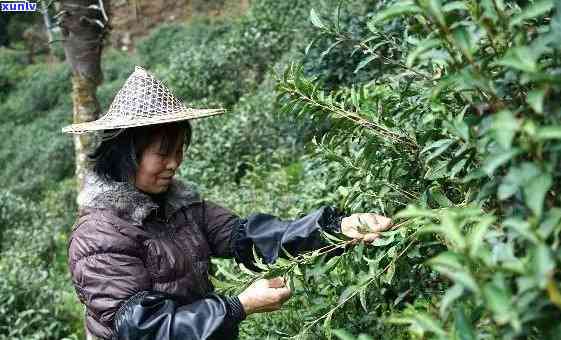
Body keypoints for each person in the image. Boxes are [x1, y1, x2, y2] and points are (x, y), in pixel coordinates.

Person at [62, 66, 392, 340]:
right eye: (163, 153)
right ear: (126, 156)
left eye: (178, 152)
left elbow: (250, 236)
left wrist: (338, 228)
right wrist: (239, 305)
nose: (174, 164)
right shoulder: (100, 235)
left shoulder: (182, 207)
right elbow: (145, 328)